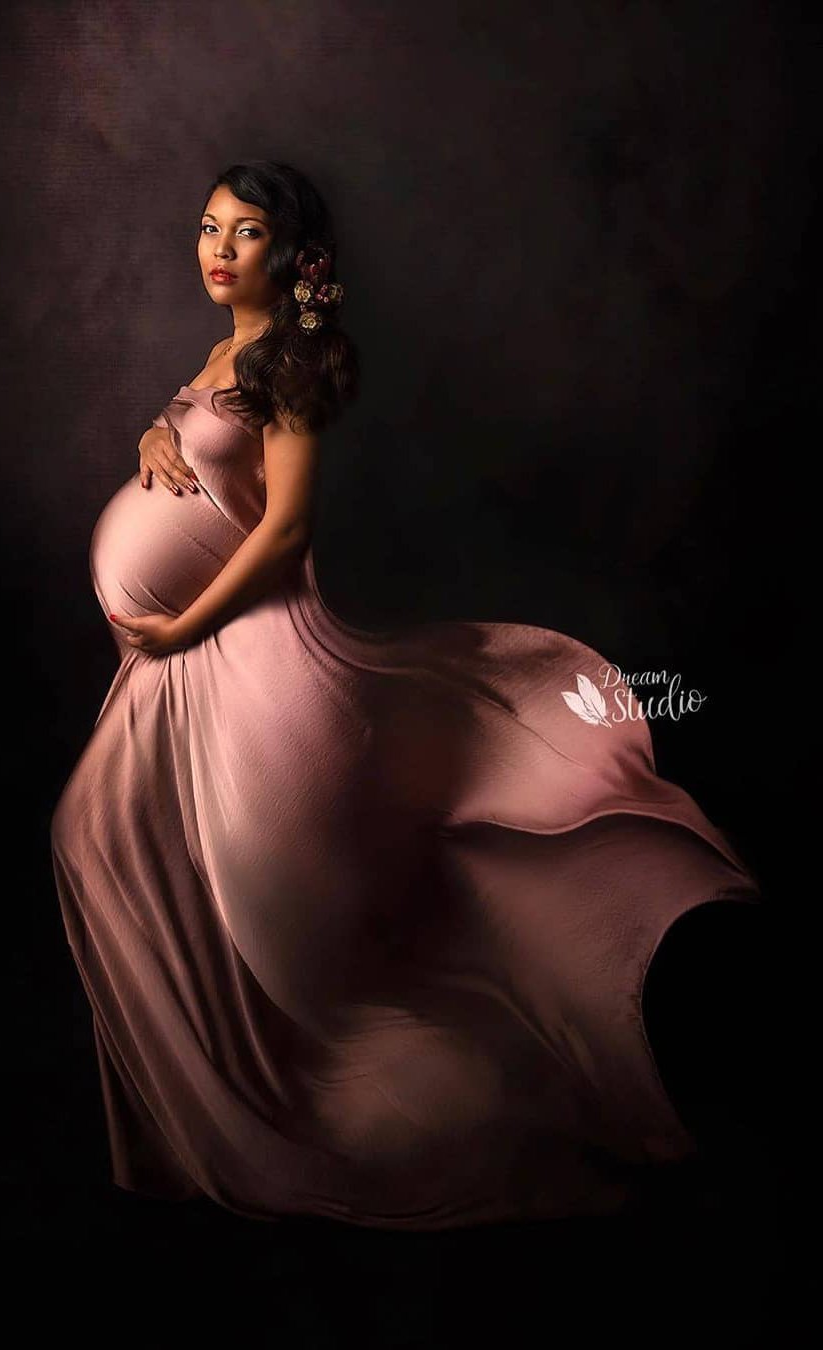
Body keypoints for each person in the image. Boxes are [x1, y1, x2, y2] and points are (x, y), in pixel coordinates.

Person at [50, 159, 766, 1231]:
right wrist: (153, 431)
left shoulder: (292, 366)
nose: (218, 247)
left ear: (289, 255)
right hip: (174, 669)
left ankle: (368, 1111)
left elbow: (285, 529)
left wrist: (188, 621)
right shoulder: (221, 353)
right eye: (208, 226)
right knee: (97, 842)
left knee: (287, 933)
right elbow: (195, 427)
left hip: (245, 662)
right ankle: (192, 1125)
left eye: (245, 233)